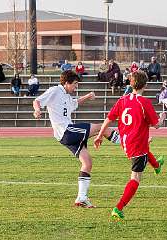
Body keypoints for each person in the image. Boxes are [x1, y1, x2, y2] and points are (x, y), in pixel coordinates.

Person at [32, 70, 120, 208]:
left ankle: (81, 198)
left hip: (67, 134)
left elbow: (74, 103)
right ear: (66, 83)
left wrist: (88, 96)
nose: (75, 87)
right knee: (99, 127)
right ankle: (127, 143)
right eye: (74, 84)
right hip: (67, 131)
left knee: (87, 163)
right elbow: (37, 101)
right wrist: (37, 110)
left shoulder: (66, 96)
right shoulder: (55, 91)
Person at [93, 71, 166, 221]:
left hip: (126, 142)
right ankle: (118, 207)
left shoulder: (123, 100)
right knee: (135, 178)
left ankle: (157, 165)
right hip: (136, 144)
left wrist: (100, 135)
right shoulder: (144, 102)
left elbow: (108, 119)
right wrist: (162, 118)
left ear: (131, 84)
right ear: (145, 85)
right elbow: (156, 125)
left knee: (145, 148)